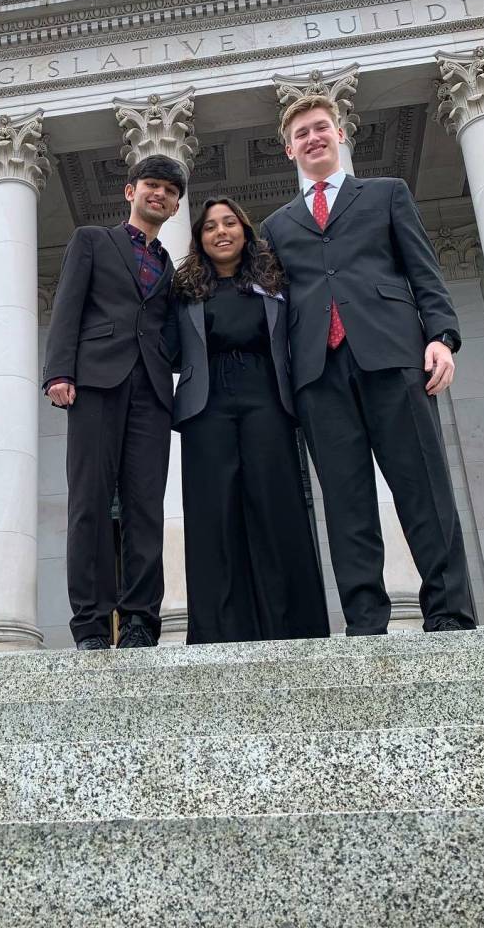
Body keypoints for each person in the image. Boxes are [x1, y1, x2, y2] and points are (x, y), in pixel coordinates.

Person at [261, 93, 477, 635]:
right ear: (289, 149)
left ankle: (448, 611)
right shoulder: (277, 226)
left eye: (321, 128)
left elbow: (422, 270)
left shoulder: (385, 195)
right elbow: (273, 308)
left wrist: (442, 337)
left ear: (339, 135)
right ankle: (364, 620)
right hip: (318, 372)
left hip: (393, 355)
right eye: (302, 133)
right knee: (345, 498)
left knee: (423, 485)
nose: (313, 138)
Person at [166, 196, 329, 644]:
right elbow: (168, 347)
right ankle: (218, 632)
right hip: (206, 404)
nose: (221, 231)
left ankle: (294, 628)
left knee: (276, 508)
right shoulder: (185, 291)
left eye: (230, 223)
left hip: (266, 397)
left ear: (244, 230)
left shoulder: (274, 281)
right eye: (211, 226)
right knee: (213, 515)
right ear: (199, 238)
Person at [42, 155, 187, 650]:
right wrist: (59, 370)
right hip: (96, 383)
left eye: (170, 191)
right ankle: (91, 624)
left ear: (174, 204)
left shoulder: (169, 265)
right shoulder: (92, 241)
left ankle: (142, 620)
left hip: (151, 390)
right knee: (90, 503)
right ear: (131, 191)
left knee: (146, 507)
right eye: (152, 185)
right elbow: (68, 306)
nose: (160, 195)